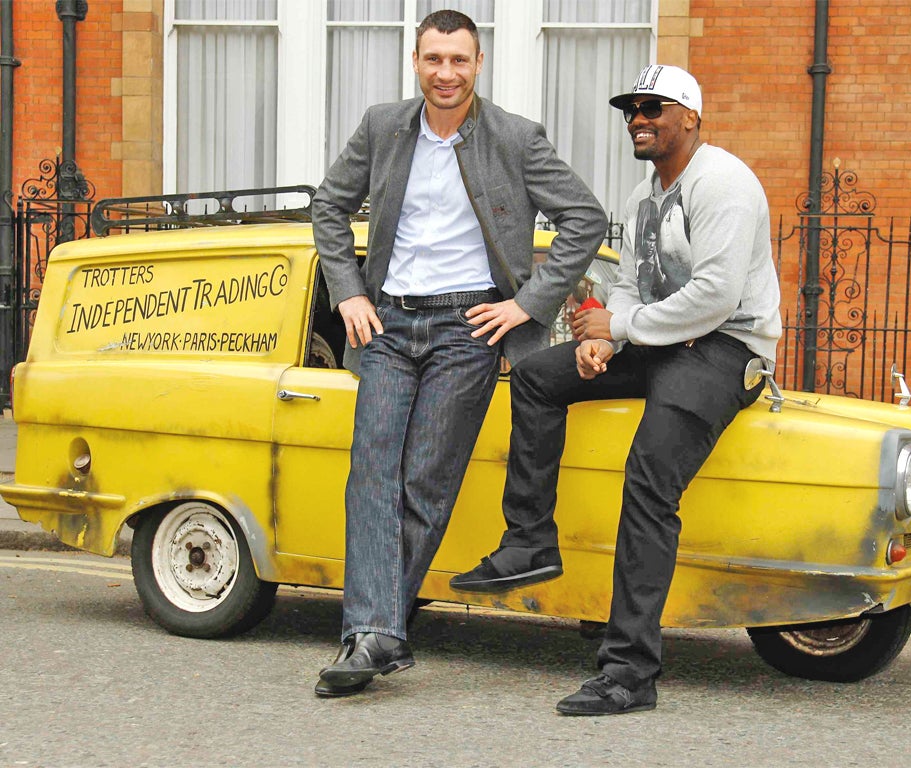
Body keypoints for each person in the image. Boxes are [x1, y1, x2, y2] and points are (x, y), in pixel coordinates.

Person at [450, 64, 782, 715]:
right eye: (631, 109)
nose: (638, 118)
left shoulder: (723, 185)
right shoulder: (642, 196)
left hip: (723, 351)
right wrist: (605, 339)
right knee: (541, 377)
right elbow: (631, 285)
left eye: (653, 108)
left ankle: (630, 671)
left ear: (691, 115)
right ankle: (531, 537)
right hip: (658, 340)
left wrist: (622, 324)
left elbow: (715, 297)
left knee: (649, 481)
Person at [311, 10, 607, 698]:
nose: (446, 73)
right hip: (385, 324)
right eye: (434, 59)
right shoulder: (383, 127)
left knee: (425, 482)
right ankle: (378, 632)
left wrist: (526, 305)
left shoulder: (514, 137)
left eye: (460, 61)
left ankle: (372, 633)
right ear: (416, 61)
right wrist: (348, 291)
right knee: (371, 473)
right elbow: (329, 207)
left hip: (466, 330)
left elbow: (583, 217)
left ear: (479, 65)